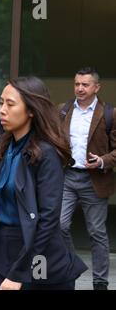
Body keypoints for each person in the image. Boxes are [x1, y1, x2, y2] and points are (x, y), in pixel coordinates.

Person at [0, 76, 87, 290]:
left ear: (31, 110)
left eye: (10, 104)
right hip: (1, 247)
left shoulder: (45, 154)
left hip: (38, 252)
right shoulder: (6, 147)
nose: (2, 110)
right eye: (1, 103)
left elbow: (48, 219)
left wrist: (20, 273)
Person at [59, 67, 116, 290]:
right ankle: (73, 267)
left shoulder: (109, 114)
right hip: (68, 177)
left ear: (96, 87)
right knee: (59, 225)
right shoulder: (63, 110)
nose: (80, 88)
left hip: (95, 180)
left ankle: (100, 282)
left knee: (96, 232)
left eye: (85, 84)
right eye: (77, 84)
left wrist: (102, 160)